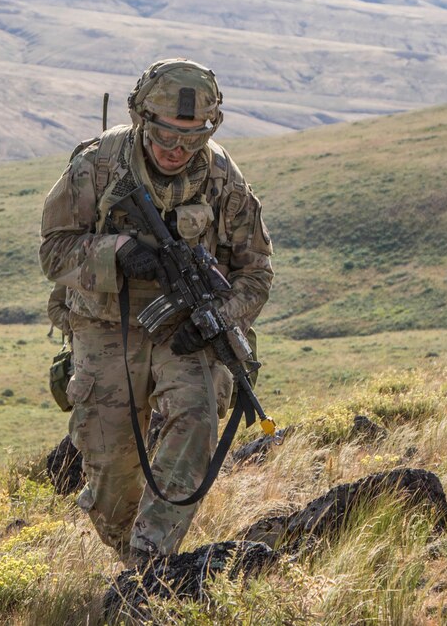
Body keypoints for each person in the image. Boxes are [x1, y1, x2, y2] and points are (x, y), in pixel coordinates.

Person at [39, 58, 273, 567]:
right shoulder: (98, 165)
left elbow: (256, 272)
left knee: (196, 412)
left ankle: (152, 561)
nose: (176, 150)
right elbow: (54, 252)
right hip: (104, 324)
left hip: (183, 329)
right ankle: (129, 550)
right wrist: (115, 252)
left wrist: (219, 316)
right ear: (141, 117)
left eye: (193, 139)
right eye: (165, 135)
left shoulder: (222, 178)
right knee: (111, 474)